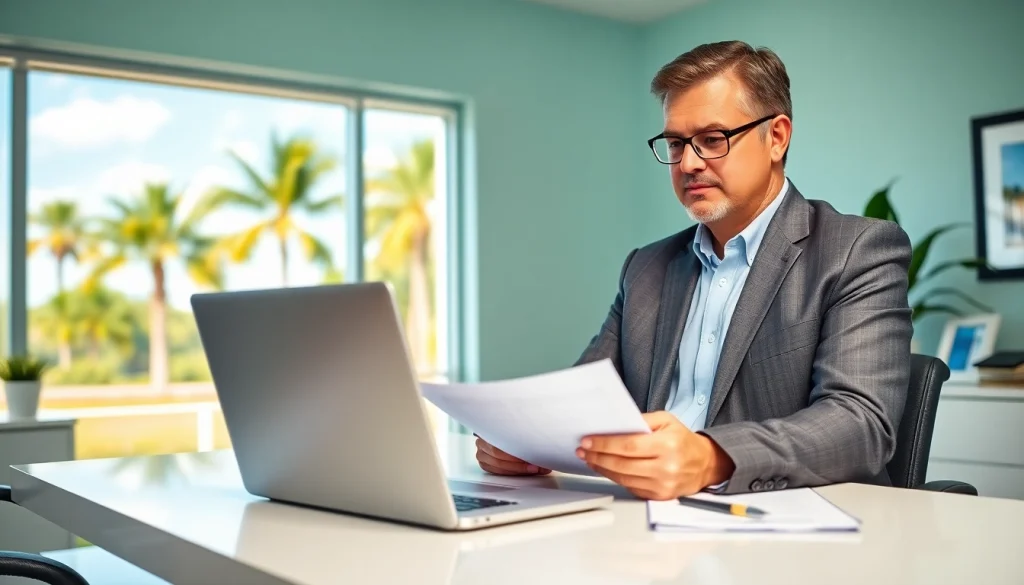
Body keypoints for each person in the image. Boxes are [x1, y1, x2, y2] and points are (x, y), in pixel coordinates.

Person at [474, 40, 914, 499]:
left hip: (790, 526)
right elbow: (583, 397)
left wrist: (711, 456)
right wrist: (526, 440)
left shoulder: (858, 250)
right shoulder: (646, 267)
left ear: (777, 138)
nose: (687, 163)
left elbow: (860, 422)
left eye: (712, 139)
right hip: (647, 522)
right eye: (675, 142)